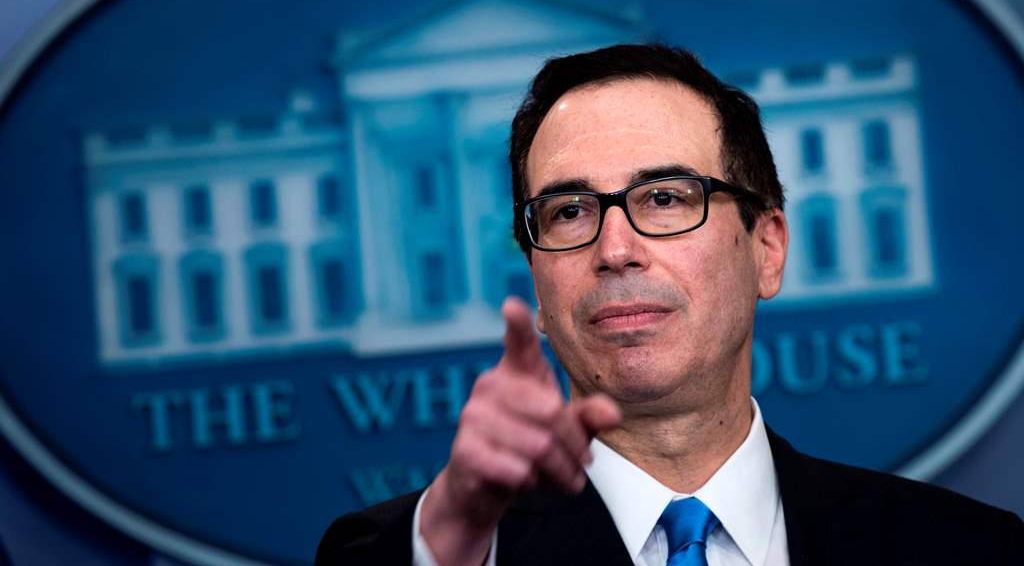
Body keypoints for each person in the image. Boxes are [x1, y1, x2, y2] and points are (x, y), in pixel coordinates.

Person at [315, 44, 1024, 565]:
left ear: (767, 247)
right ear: (534, 277)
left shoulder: (970, 550)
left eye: (664, 198)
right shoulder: (426, 550)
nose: (615, 247)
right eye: (568, 211)